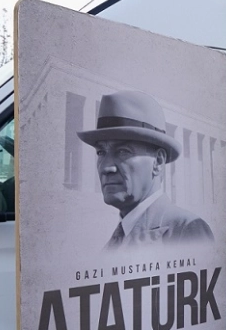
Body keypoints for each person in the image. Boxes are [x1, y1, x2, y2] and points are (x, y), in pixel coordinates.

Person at [78, 91, 214, 249]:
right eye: (101, 152)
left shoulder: (185, 231)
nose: (107, 167)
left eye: (123, 151)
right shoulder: (111, 245)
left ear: (158, 161)